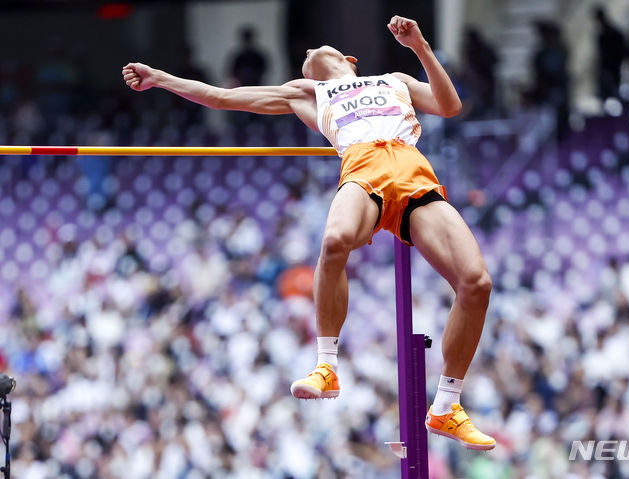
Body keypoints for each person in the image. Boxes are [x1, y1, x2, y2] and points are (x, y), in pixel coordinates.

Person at [122, 15, 495, 450]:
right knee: (334, 241)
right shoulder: (308, 93)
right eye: (302, 57)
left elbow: (449, 106)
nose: (304, 54)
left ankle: (447, 406)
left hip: (414, 173)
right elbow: (222, 97)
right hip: (363, 171)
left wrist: (420, 47)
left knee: (477, 283)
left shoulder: (393, 79)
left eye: (311, 50)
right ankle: (326, 366)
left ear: (348, 59)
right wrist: (162, 78)